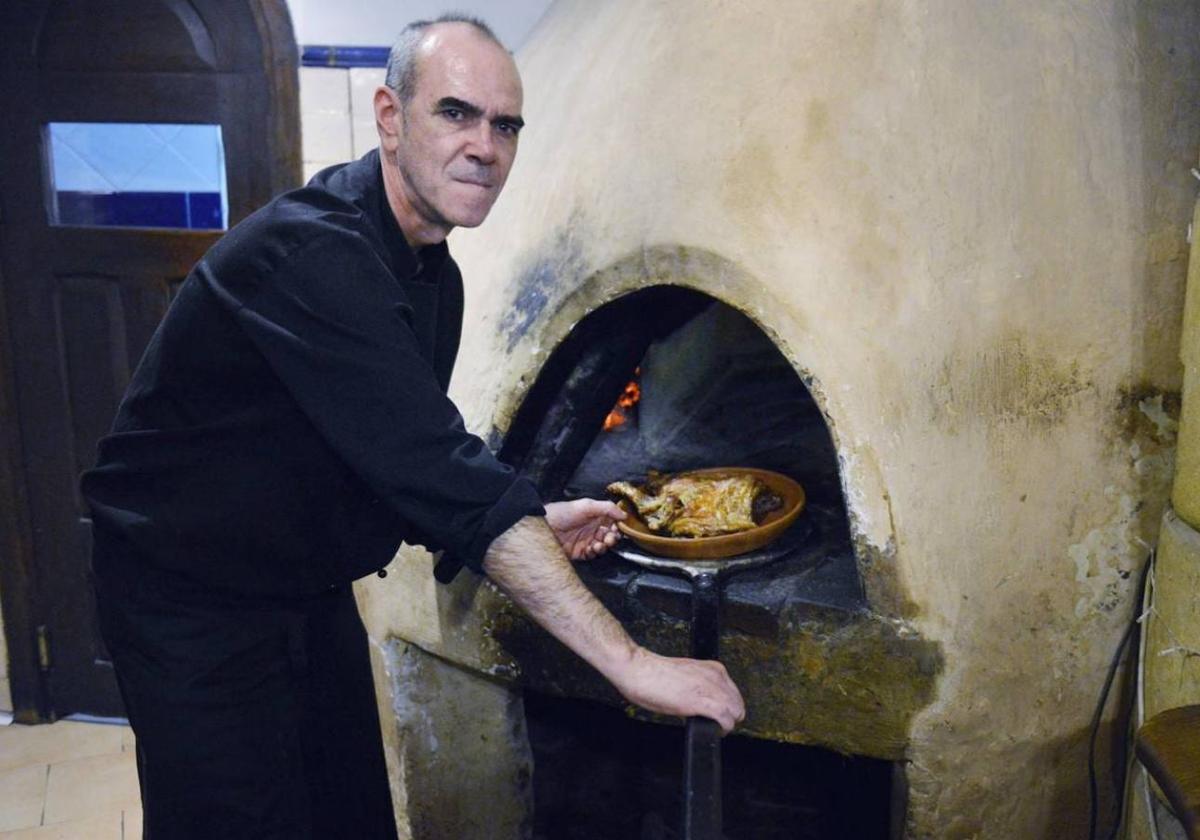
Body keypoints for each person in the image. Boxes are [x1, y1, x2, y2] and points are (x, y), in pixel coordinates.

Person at [81, 13, 744, 840]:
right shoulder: (311, 254)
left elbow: (390, 455)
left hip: (302, 580)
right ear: (390, 117)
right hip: (188, 594)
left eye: (505, 125)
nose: (485, 146)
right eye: (456, 113)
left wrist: (529, 515)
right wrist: (635, 666)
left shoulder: (436, 273)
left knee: (348, 811)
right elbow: (441, 472)